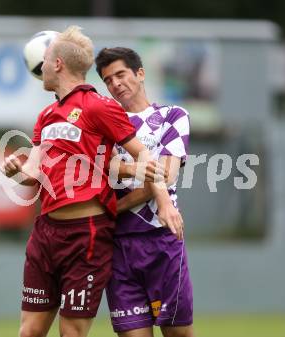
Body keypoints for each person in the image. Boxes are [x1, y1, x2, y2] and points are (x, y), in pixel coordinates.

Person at [2, 27, 175, 337]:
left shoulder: (100, 106)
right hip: (45, 234)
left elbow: (144, 154)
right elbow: (33, 173)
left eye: (45, 63)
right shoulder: (46, 115)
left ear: (57, 65)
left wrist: (161, 197)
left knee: (72, 333)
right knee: (29, 332)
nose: (40, 70)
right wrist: (15, 170)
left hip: (87, 236)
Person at [95, 47, 194, 337]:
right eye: (108, 80)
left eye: (120, 75)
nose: (115, 84)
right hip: (118, 247)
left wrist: (114, 208)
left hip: (161, 238)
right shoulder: (106, 127)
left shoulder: (172, 116)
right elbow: (102, 170)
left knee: (178, 334)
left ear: (140, 74)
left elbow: (166, 174)